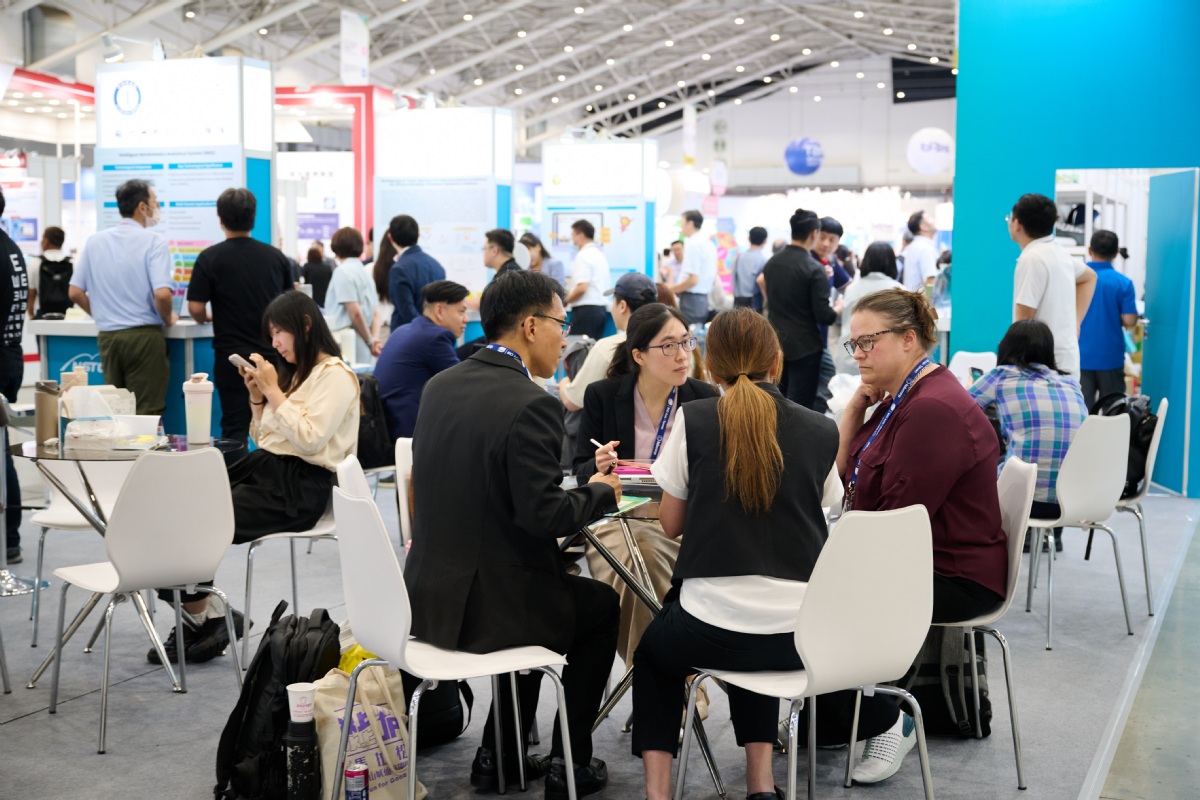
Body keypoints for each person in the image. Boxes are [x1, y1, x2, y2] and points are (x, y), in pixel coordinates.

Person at [404, 269, 622, 798]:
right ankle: (570, 762)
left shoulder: (440, 385)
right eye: (561, 324)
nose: (564, 339)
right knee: (597, 607)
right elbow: (545, 516)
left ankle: (497, 754)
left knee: (542, 585)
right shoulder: (532, 402)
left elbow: (487, 490)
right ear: (530, 326)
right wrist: (600, 491)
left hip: (426, 599)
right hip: (489, 609)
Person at [633, 307, 840, 800]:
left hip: (710, 628)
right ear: (777, 361)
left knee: (654, 656)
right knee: (756, 648)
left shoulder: (695, 420)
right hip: (798, 636)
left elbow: (671, 524)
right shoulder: (821, 429)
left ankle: (658, 795)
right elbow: (829, 505)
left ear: (710, 369)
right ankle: (760, 784)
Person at [837, 287, 1007, 784]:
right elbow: (849, 479)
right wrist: (851, 418)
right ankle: (841, 714)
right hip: (917, 560)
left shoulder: (932, 409)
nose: (859, 354)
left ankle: (888, 718)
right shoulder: (901, 399)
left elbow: (896, 523)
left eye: (868, 341)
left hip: (952, 573)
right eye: (854, 344)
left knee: (825, 595)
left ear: (909, 339)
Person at [152, 291, 360, 664]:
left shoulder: (336, 376)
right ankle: (205, 616)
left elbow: (309, 440)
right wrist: (259, 398)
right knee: (176, 503)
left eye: (279, 332)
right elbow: (266, 439)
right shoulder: (300, 375)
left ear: (305, 325)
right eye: (272, 334)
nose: (274, 343)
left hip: (301, 487)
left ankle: (203, 617)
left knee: (195, 518)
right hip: (267, 468)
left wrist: (273, 390)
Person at [574, 303, 717, 668]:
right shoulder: (603, 396)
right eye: (668, 346)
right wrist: (599, 464)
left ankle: (652, 677)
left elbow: (717, 477)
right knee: (637, 560)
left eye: (686, 341)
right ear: (638, 355)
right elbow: (581, 471)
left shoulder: (705, 398)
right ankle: (671, 677)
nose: (682, 355)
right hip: (618, 519)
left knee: (648, 559)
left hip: (680, 522)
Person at [969, 320, 1088, 551]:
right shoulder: (1071, 384)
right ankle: (1047, 536)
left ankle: (986, 544)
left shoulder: (1001, 376)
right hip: (1074, 501)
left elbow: (956, 407)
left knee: (981, 463)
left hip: (1025, 501)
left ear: (1006, 347)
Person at [187, 188, 293, 444]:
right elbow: (290, 307)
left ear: (221, 219)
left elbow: (195, 308)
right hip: (271, 357)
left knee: (234, 427)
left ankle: (233, 471)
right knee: (278, 423)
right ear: (253, 218)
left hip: (231, 358)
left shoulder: (209, 258)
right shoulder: (276, 258)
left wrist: (207, 318)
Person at [68, 178, 176, 416]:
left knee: (114, 412)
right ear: (142, 207)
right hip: (143, 338)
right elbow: (162, 294)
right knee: (146, 412)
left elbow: (75, 291)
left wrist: (102, 313)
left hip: (108, 338)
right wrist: (168, 318)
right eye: (154, 202)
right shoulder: (154, 242)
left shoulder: (95, 241)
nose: (157, 207)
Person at [759, 208, 841, 410]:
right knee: (802, 405)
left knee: (778, 399)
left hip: (776, 342)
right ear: (814, 234)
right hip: (806, 346)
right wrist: (838, 308)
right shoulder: (814, 268)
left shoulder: (772, 263)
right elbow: (825, 316)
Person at [1009, 192, 1098, 379]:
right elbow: (1090, 277)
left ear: (1017, 224)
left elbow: (1023, 323)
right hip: (1065, 359)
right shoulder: (1058, 253)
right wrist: (1076, 321)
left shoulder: (1032, 258)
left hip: (1041, 366)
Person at [374, 280, 468, 440]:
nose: (465, 319)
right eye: (461, 312)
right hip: (407, 432)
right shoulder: (435, 337)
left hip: (385, 424)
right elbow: (463, 384)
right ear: (439, 311)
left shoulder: (403, 330)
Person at [559, 272, 659, 412]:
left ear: (622, 306)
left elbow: (574, 402)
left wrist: (564, 384)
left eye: (613, 301)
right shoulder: (667, 344)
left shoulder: (607, 347)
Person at [0, 187, 28, 563]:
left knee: (0, 454)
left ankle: (8, 537)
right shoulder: (10, 247)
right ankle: (9, 537)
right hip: (9, 356)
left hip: (2, 358)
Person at [1078, 230, 1138, 406]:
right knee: (1113, 410)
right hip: (1110, 356)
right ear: (1116, 253)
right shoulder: (1123, 283)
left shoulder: (1077, 279)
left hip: (1080, 355)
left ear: (1090, 250)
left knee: (1082, 410)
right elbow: (1129, 320)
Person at [834, 242, 903, 374]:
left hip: (847, 357)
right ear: (892, 263)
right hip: (879, 362)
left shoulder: (851, 289)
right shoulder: (899, 291)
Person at [324, 226, 381, 363]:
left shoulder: (342, 272)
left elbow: (355, 312)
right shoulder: (364, 272)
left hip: (347, 340)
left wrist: (370, 341)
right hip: (363, 340)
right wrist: (373, 340)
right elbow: (376, 313)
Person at [387, 213, 446, 330]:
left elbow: (407, 312)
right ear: (418, 236)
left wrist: (424, 330)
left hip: (408, 335)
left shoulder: (399, 269)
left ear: (390, 238)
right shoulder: (437, 266)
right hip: (435, 331)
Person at [669, 210, 717, 327]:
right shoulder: (709, 244)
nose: (681, 226)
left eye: (682, 223)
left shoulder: (693, 244)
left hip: (691, 301)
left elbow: (693, 280)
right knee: (697, 333)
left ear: (690, 223)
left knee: (689, 334)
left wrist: (671, 290)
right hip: (702, 299)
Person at [565, 220, 611, 339]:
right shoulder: (600, 255)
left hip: (586, 311)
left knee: (577, 347)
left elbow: (582, 287)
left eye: (573, 236)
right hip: (600, 310)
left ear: (580, 236)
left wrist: (566, 300)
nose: (572, 240)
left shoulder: (583, 255)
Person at [28, 225, 72, 318]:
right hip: (68, 316)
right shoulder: (73, 263)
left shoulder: (35, 262)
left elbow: (31, 294)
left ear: (46, 241)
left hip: (42, 316)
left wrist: (31, 316)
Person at [731, 226, 768, 308]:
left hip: (737, 301)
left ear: (749, 239)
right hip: (755, 302)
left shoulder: (738, 258)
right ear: (765, 241)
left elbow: (733, 280)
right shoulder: (763, 260)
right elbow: (761, 280)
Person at [901, 210, 939, 292]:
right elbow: (930, 282)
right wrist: (929, 300)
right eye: (929, 218)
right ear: (923, 226)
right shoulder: (925, 248)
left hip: (912, 298)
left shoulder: (914, 246)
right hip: (922, 299)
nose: (933, 219)